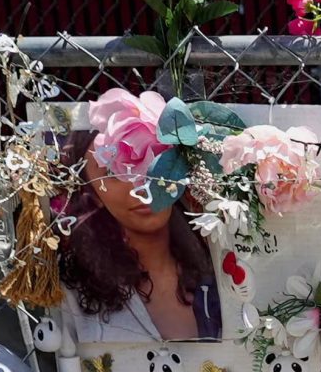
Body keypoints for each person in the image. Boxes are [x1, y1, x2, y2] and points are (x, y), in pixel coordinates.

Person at [57, 130, 222, 343]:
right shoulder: (70, 293)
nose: (139, 187)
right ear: (92, 193)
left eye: (149, 160)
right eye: (113, 172)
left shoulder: (223, 265)